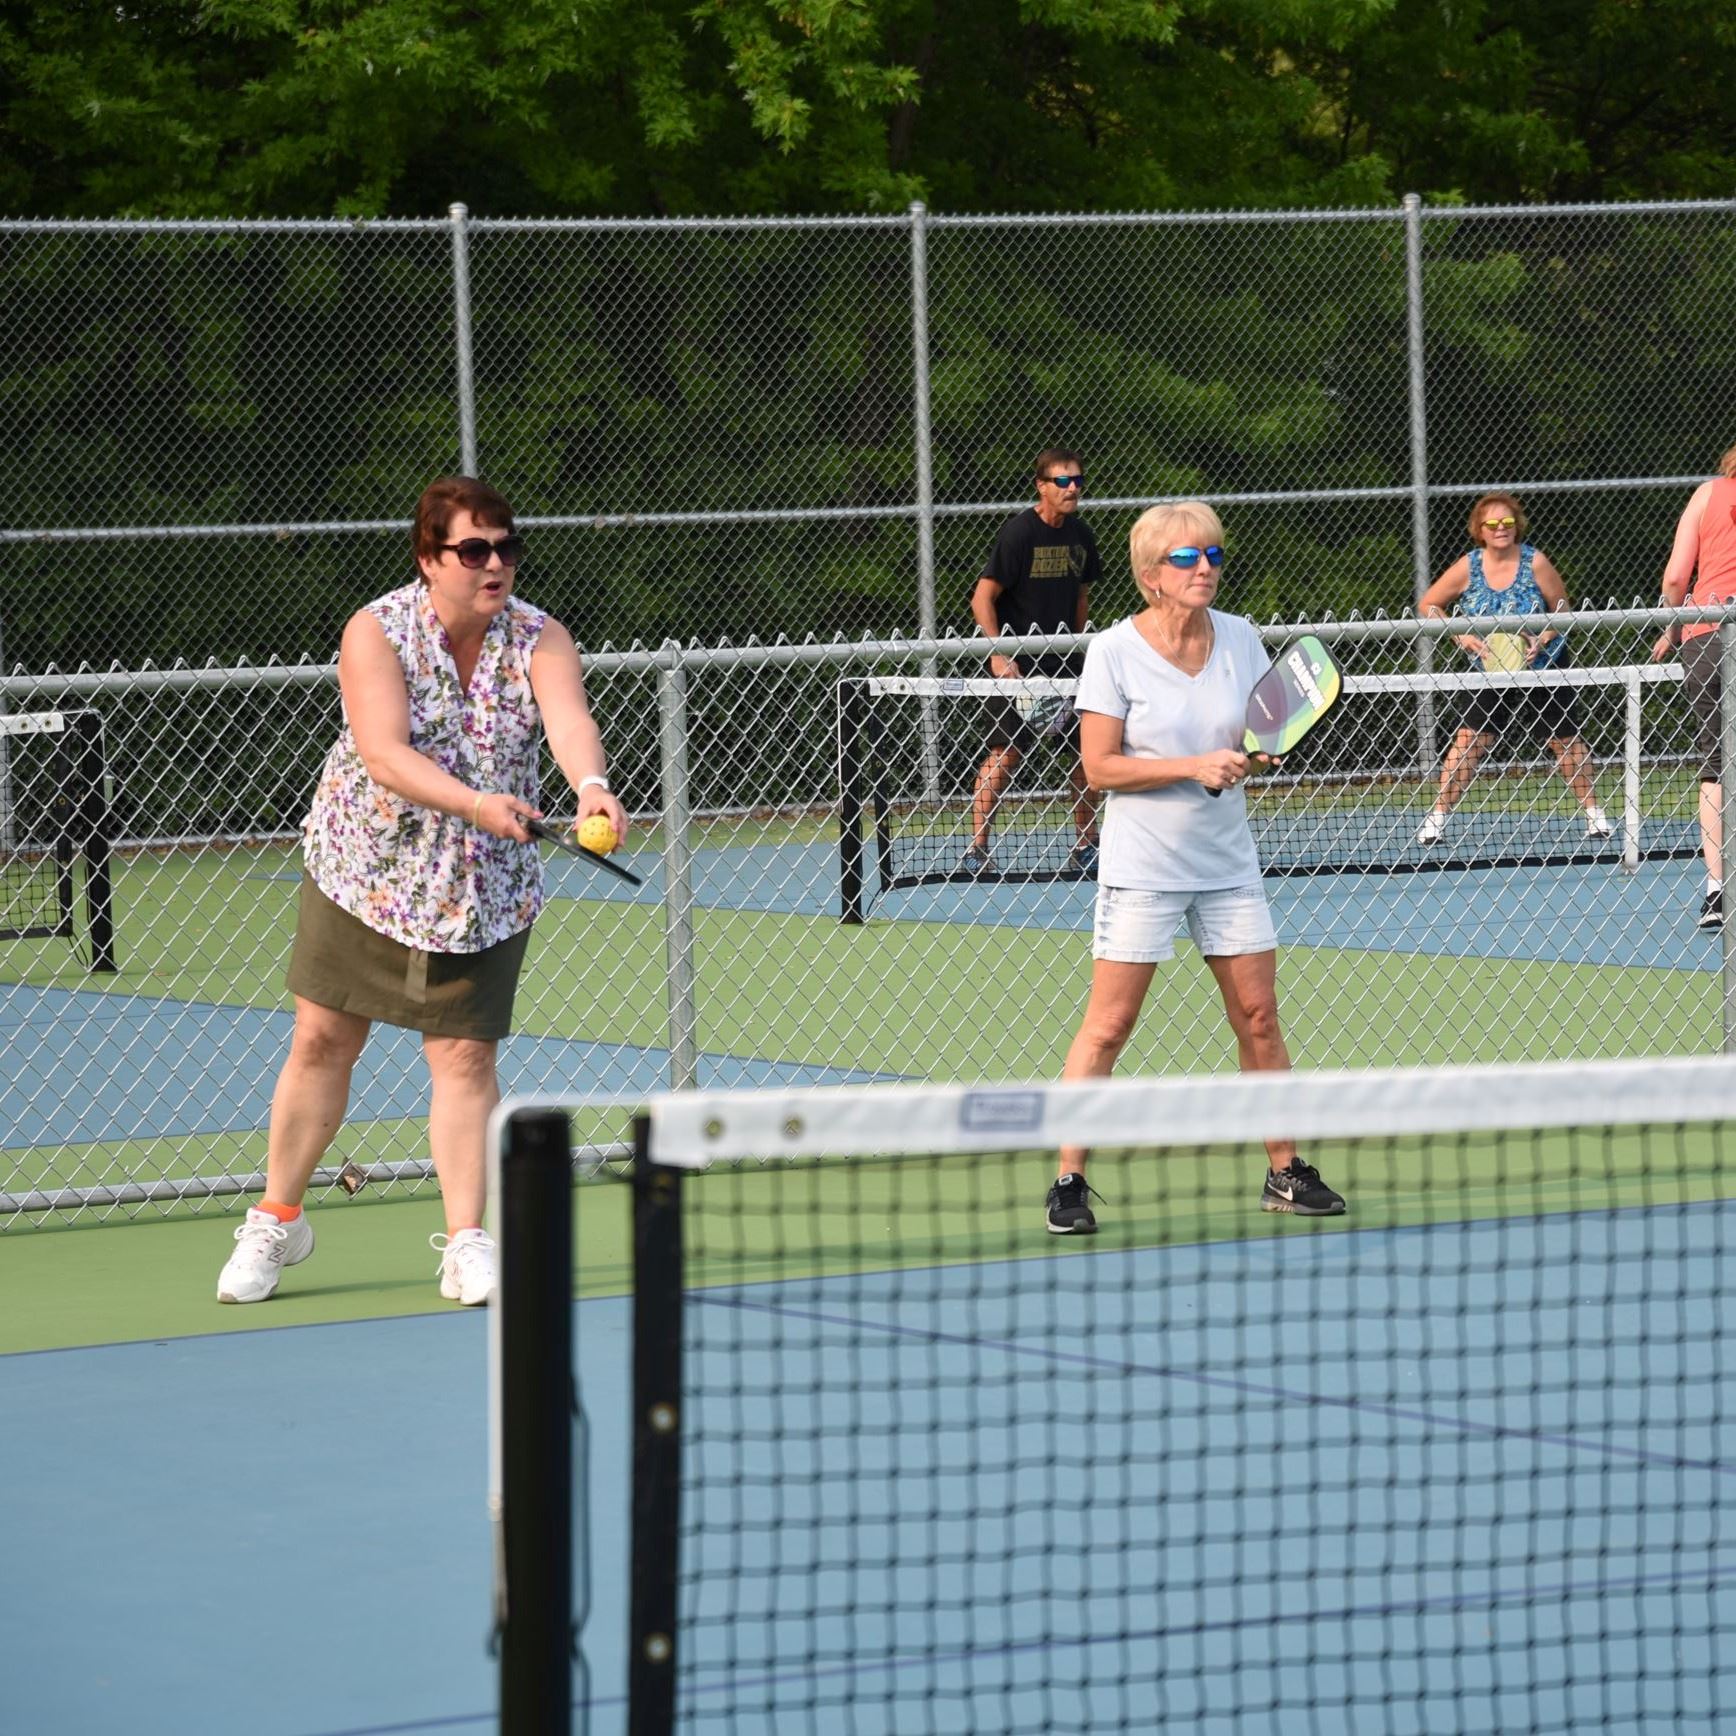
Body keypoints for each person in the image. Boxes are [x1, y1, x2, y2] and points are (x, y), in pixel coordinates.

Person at [215, 476, 628, 1306]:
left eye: (506, 547)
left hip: (484, 883)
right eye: (473, 550)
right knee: (323, 1040)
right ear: (428, 558)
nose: (495, 564)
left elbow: (568, 718)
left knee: (466, 1055)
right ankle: (277, 1218)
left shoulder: (540, 636)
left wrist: (589, 784)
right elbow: (383, 753)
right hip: (365, 869)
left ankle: (468, 1242)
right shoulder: (377, 630)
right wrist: (479, 803)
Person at [1045, 500, 1345, 1234]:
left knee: (1259, 1017)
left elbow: (1253, 729)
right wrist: (1193, 766)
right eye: (1185, 558)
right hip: (1142, 867)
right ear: (1151, 575)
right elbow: (1099, 766)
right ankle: (1068, 1180)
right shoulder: (1114, 651)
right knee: (1109, 1024)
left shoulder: (1242, 637)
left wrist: (1259, 751)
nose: (1204, 567)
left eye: (1211, 554)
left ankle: (1284, 1171)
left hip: (1226, 865)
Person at [1414, 492, 1612, 846]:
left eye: (1507, 522)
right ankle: (1436, 820)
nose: (1501, 529)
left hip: (1543, 664)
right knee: (1469, 741)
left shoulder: (1535, 561)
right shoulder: (1468, 566)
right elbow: (1428, 604)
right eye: (1493, 524)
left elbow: (1562, 607)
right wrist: (1461, 635)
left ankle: (1595, 816)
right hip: (1488, 666)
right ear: (1481, 530)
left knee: (1565, 740)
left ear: (1516, 525)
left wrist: (1546, 635)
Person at [963, 447, 1101, 877]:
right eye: (1062, 481)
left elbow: (1081, 595)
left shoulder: (1081, 536)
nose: (1072, 488)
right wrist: (999, 654)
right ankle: (976, 848)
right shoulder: (1018, 534)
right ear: (1041, 486)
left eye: (1077, 480)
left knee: (1085, 755)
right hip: (1017, 667)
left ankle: (1086, 845)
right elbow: (982, 598)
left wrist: (1079, 651)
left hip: (1065, 666)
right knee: (1005, 754)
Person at [1651, 445, 1736, 928]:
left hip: (1707, 633)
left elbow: (1676, 576)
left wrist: (1677, 623)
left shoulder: (1707, 495)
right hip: (1706, 629)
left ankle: (1716, 892)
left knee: (1715, 765)